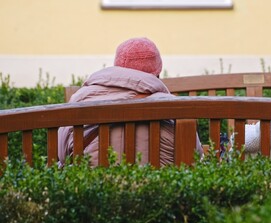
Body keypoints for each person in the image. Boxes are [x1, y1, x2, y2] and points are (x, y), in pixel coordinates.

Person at [58, 37, 204, 166]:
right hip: (158, 192)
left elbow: (63, 155)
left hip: (94, 190)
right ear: (157, 73)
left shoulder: (81, 99)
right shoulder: (174, 108)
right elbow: (195, 157)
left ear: (117, 68)